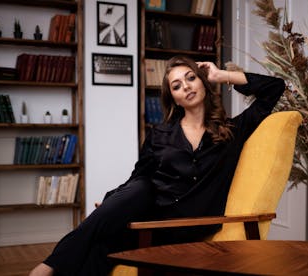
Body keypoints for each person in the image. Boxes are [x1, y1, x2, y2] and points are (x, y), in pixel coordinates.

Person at [30, 55, 285, 276]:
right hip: (151, 216)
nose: (186, 86)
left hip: (187, 226)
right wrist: (113, 202)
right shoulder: (160, 134)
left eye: (191, 78)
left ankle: (49, 264)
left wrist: (222, 74)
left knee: (109, 232)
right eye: (177, 85)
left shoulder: (232, 130)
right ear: (174, 99)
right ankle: (51, 266)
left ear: (203, 82)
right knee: (103, 244)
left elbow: (275, 87)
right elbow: (139, 177)